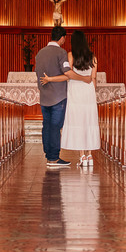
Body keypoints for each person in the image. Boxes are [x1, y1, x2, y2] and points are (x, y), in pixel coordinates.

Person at [44, 29, 99, 168]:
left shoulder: (70, 55)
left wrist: (51, 79)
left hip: (75, 91)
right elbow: (93, 78)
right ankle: (90, 155)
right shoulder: (93, 57)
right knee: (89, 121)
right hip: (89, 91)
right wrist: (92, 92)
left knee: (79, 121)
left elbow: (68, 74)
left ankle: (82, 156)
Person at [34, 25, 70, 168]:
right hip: (58, 96)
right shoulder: (61, 52)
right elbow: (66, 72)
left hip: (44, 96)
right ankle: (54, 158)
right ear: (62, 38)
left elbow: (37, 73)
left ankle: (49, 156)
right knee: (55, 126)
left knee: (47, 126)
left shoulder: (40, 53)